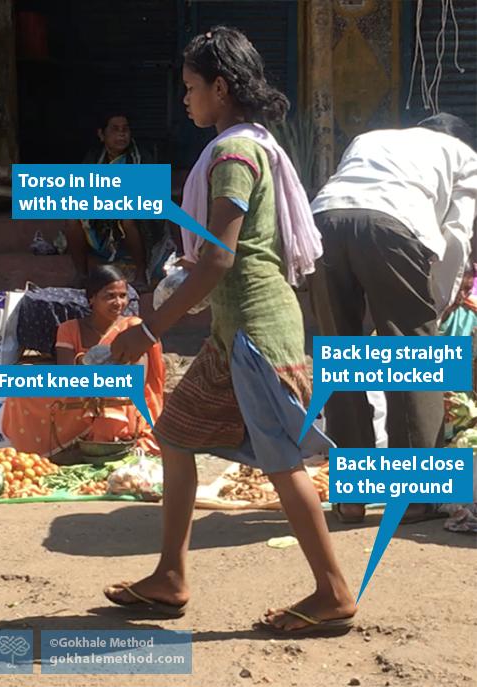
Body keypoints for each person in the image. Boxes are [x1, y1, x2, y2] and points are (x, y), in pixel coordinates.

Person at [103, 26, 357, 637]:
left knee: (280, 461)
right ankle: (170, 576)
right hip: (236, 334)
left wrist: (150, 330)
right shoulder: (251, 146)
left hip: (255, 336)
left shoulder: (232, 154)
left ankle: (334, 591)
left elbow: (220, 257)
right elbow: (228, 252)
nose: (185, 99)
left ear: (220, 88)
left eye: (192, 88)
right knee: (176, 434)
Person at [309, 113, 477, 524]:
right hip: (392, 228)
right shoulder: (466, 156)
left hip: (323, 223)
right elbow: (457, 236)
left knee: (342, 357)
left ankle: (351, 499)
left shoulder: (370, 136)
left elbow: (351, 197)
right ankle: (416, 499)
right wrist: (435, 306)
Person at [3, 266, 165, 455]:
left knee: (111, 399)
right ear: (92, 299)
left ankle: (101, 442)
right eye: (110, 296)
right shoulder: (69, 329)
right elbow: (67, 375)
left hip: (120, 394)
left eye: (123, 296)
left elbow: (136, 378)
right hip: (78, 390)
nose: (119, 303)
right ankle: (37, 448)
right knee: (16, 384)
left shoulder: (132, 327)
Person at [65, 114, 153, 287]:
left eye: (125, 129)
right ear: (101, 134)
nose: (122, 134)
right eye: (115, 129)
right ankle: (82, 275)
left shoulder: (141, 157)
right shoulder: (94, 157)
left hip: (138, 215)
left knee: (127, 219)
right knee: (72, 219)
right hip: (101, 215)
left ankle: (141, 273)